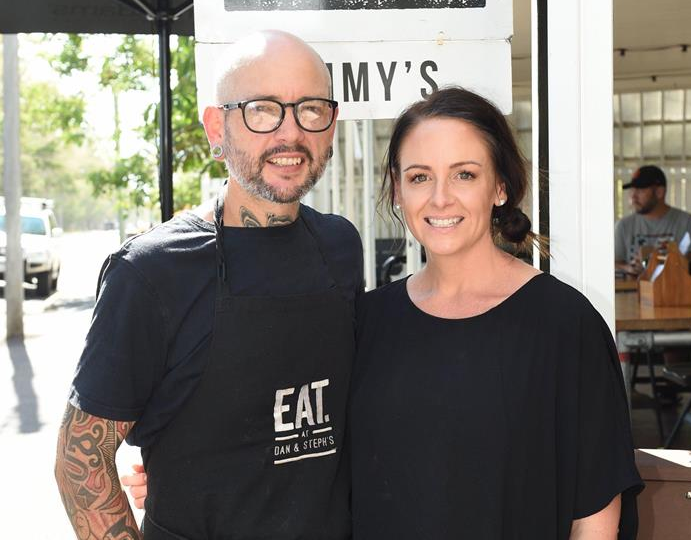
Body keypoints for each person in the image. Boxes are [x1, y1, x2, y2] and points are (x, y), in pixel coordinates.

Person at [129, 87, 643, 539]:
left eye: (464, 174)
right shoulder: (369, 321)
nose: (440, 198)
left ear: (501, 186)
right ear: (397, 190)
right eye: (420, 176)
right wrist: (188, 469)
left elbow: (597, 507)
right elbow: (297, 435)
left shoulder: (562, 324)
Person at [54, 31, 363, 540]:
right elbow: (79, 461)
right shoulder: (152, 271)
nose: (291, 133)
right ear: (217, 127)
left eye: (310, 108)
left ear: (330, 123)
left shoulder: (340, 247)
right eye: (263, 110)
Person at [615, 165, 691, 276]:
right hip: (633, 291)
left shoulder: (688, 223)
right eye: (632, 190)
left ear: (659, 192)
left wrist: (665, 261)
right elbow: (612, 263)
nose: (633, 196)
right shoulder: (623, 226)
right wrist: (629, 268)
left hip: (677, 291)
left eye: (640, 190)